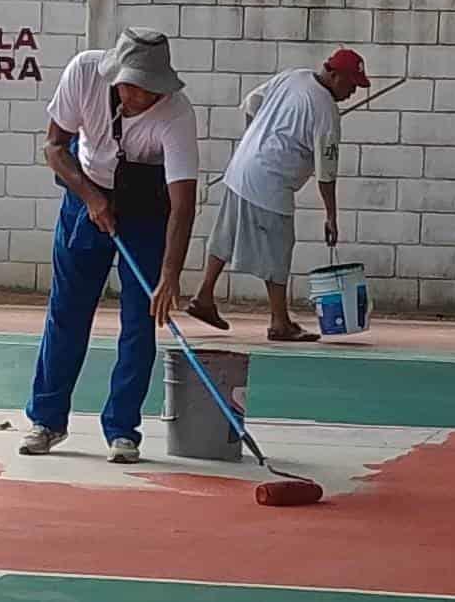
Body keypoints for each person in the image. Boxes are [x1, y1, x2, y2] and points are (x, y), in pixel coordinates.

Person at [20, 27, 198, 463]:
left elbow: (183, 203)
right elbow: (54, 147)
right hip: (85, 193)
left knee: (141, 321)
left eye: (153, 89)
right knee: (68, 312)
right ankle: (46, 419)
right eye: (135, 87)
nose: (144, 98)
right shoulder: (83, 72)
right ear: (116, 76)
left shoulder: (176, 113)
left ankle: (122, 429)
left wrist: (170, 274)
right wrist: (92, 200)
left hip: (146, 209)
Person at [185, 48, 370, 342]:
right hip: (270, 182)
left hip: (241, 166)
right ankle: (279, 321)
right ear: (334, 75)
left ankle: (204, 296)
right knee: (279, 247)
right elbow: (326, 173)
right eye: (350, 84)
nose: (352, 93)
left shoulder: (293, 77)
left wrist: (257, 138)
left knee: (225, 235)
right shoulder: (327, 112)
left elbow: (251, 104)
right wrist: (331, 216)